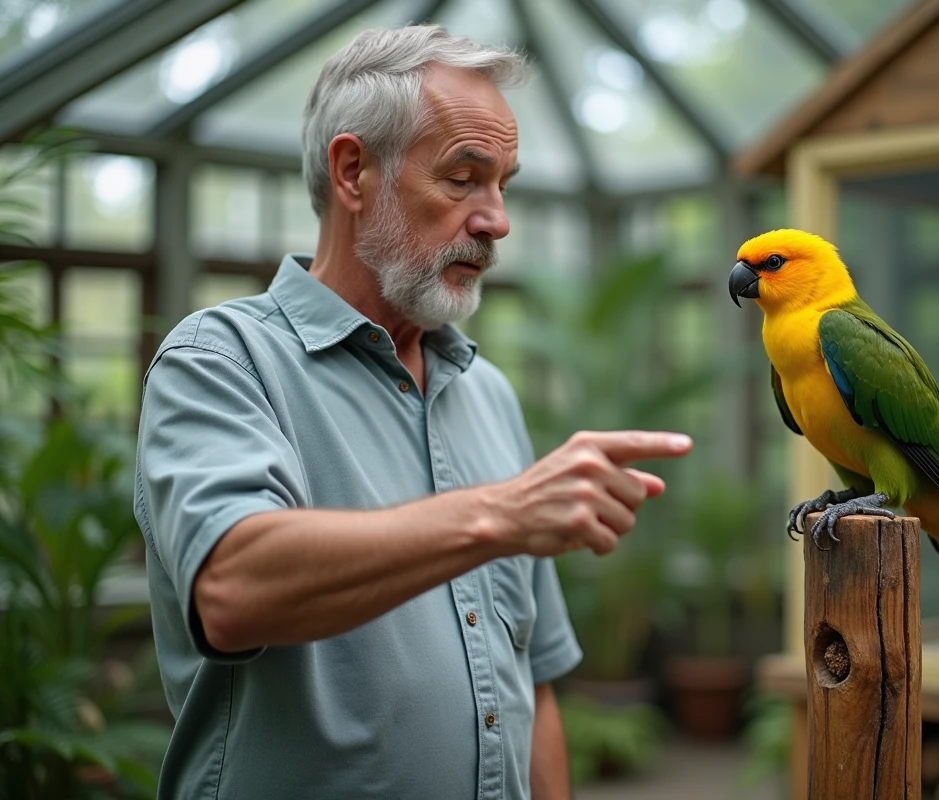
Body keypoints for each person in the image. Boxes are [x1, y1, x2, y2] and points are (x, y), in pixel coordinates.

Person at [133, 25, 692, 800]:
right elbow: (231, 590)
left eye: (504, 184)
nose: (496, 220)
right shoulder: (220, 359)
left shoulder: (486, 391)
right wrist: (502, 514)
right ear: (353, 171)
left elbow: (534, 683)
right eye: (464, 179)